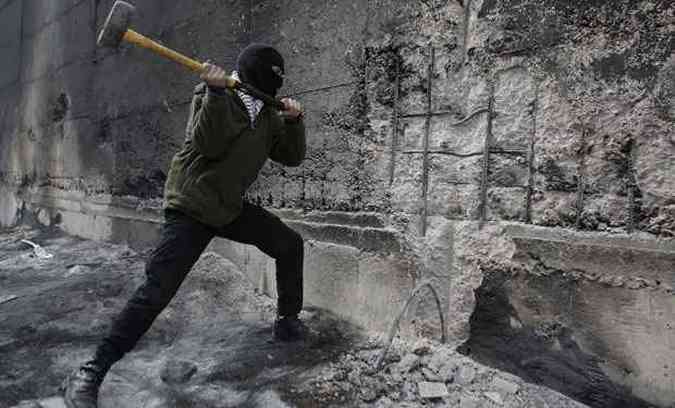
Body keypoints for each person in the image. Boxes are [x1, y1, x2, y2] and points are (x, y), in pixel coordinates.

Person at [64, 43, 307, 408]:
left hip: (227, 207)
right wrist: (214, 92)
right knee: (156, 291)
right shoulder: (213, 94)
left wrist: (294, 121)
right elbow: (209, 144)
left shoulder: (269, 114)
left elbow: (292, 156)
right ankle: (90, 370)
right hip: (191, 206)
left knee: (289, 244)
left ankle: (287, 321)